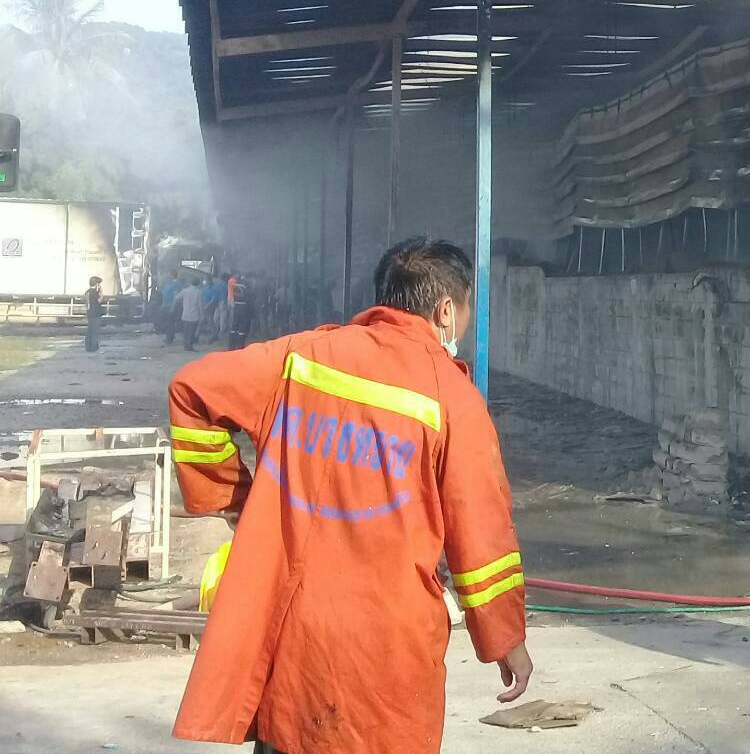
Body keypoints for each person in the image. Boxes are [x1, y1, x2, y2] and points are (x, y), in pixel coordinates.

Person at [166, 237, 530, 754]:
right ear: (446, 311)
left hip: (293, 638)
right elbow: (482, 533)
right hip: (384, 653)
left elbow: (191, 389)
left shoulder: (301, 358)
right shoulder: (452, 398)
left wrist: (232, 499)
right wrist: (504, 637)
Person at [175, 276, 206, 351]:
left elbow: (177, 298)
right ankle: (190, 345)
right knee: (192, 331)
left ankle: (186, 345)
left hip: (185, 314)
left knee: (186, 331)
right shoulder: (199, 292)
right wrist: (202, 315)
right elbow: (200, 305)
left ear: (190, 283)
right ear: (198, 283)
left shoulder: (185, 291)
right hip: (194, 315)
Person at [160, 272, 185, 342]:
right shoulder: (167, 284)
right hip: (166, 305)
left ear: (172, 275)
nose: (167, 275)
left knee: (170, 322)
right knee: (167, 322)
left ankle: (169, 337)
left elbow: (175, 297)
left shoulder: (176, 284)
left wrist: (173, 307)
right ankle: (170, 336)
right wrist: (163, 304)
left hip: (171, 305)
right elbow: (164, 295)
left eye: (169, 274)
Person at [83, 276, 104, 352]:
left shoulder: (87, 292)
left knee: (90, 330)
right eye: (98, 284)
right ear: (96, 284)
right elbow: (99, 300)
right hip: (95, 313)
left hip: (90, 313)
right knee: (95, 331)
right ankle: (93, 347)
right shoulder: (94, 292)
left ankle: (88, 347)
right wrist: (101, 293)